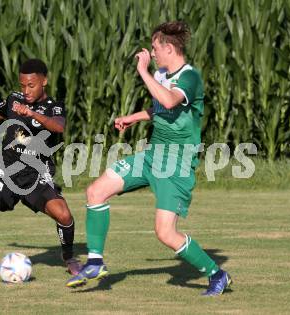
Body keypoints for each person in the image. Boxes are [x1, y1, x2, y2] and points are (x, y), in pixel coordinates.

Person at [66, 21, 232, 296]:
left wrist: (143, 71)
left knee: (165, 233)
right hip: (153, 155)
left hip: (176, 164)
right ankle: (95, 262)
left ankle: (217, 274)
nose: (152, 53)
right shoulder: (162, 73)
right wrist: (134, 117)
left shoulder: (190, 77)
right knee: (96, 191)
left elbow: (169, 101)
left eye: (155, 48)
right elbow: (161, 108)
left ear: (168, 48)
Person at [0, 59, 81, 281]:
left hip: (36, 173)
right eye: (23, 85)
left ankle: (69, 258)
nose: (26, 90)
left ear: (44, 81)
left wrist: (32, 114)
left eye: (31, 85)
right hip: (6, 168)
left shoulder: (53, 106)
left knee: (64, 215)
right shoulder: (14, 100)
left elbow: (58, 126)